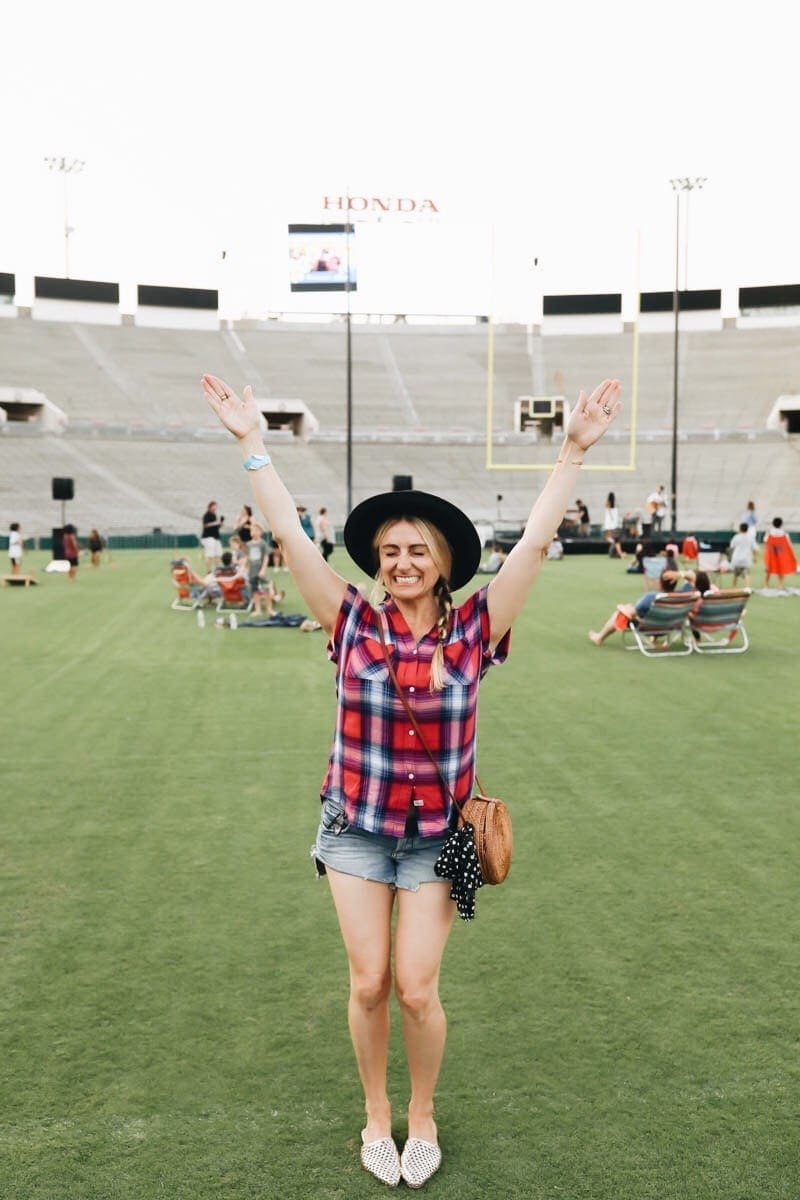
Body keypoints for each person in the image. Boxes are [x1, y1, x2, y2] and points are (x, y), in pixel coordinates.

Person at [201, 369, 622, 1188]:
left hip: (437, 841)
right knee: (368, 984)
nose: (400, 562)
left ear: (440, 565)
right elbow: (291, 538)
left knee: (417, 990)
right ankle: (374, 1117)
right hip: (355, 830)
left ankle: (421, 1114)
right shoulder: (350, 620)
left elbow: (533, 545)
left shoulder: (474, 630)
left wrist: (572, 452)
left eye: (415, 552)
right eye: (389, 551)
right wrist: (253, 444)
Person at [588, 567, 696, 646]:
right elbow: (693, 576)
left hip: (650, 628)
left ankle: (600, 637)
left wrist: (621, 607)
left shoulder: (652, 597)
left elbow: (629, 614)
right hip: (671, 626)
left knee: (621, 612)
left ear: (660, 583)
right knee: (638, 610)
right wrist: (680, 574)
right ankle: (654, 638)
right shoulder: (684, 594)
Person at [762, 517, 798, 590]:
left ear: (773, 524)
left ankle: (766, 585)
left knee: (769, 569)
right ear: (781, 524)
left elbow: (765, 541)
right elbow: (789, 544)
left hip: (771, 554)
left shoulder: (769, 532)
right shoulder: (784, 533)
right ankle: (780, 585)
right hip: (781, 555)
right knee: (780, 569)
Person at [728, 522, 755, 587]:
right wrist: (755, 557)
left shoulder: (736, 537)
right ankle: (747, 587)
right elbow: (754, 548)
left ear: (740, 529)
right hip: (746, 559)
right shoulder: (750, 537)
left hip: (736, 559)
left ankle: (734, 588)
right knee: (747, 574)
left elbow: (731, 547)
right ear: (747, 529)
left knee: (735, 575)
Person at [201, 501, 224, 570]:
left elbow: (217, 527)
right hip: (208, 537)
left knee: (219, 554)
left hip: (216, 537)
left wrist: (220, 523)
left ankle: (217, 569)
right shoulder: (207, 515)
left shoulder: (215, 515)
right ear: (210, 507)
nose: (215, 508)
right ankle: (209, 570)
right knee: (210, 555)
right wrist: (216, 522)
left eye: (216, 506)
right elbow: (205, 525)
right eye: (214, 506)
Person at [603, 492, 625, 559]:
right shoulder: (615, 505)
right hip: (615, 524)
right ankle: (618, 552)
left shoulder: (607, 504)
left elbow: (608, 514)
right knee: (615, 540)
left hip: (609, 524)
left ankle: (618, 553)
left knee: (613, 539)